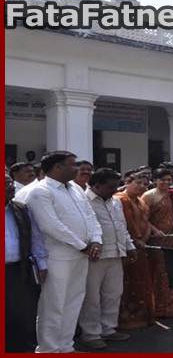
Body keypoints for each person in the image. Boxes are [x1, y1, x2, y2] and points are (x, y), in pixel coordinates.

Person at [27, 151, 103, 353]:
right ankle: (48, 349)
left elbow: (90, 217)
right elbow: (51, 226)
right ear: (57, 167)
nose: (77, 168)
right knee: (54, 305)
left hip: (81, 255)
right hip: (57, 257)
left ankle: (66, 347)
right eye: (72, 164)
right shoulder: (40, 191)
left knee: (73, 301)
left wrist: (96, 240)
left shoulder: (76, 190)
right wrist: (83, 245)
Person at [78, 169, 136, 349]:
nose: (115, 190)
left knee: (113, 293)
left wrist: (130, 246)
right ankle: (90, 334)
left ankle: (108, 329)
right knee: (92, 297)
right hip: (94, 257)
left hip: (116, 254)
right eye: (111, 187)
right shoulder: (82, 201)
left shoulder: (115, 201)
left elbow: (121, 226)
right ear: (96, 185)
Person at [5, 172, 47, 352]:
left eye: (11, 182)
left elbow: (35, 239)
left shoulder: (20, 208)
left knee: (22, 315)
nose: (11, 186)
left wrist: (41, 265)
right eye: (6, 183)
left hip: (18, 270)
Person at [115, 171, 155, 330]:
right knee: (126, 283)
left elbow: (146, 223)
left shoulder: (141, 202)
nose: (142, 187)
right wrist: (134, 241)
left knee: (141, 281)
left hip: (142, 247)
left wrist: (144, 238)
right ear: (127, 182)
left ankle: (141, 317)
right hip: (127, 248)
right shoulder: (120, 200)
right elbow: (123, 224)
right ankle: (124, 320)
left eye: (145, 184)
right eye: (138, 183)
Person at [141, 168, 173, 317]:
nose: (166, 182)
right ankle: (157, 307)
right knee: (159, 271)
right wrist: (155, 230)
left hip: (172, 238)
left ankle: (172, 307)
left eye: (168, 179)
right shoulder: (148, 196)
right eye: (162, 179)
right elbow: (143, 219)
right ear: (155, 180)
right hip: (156, 239)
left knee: (171, 270)